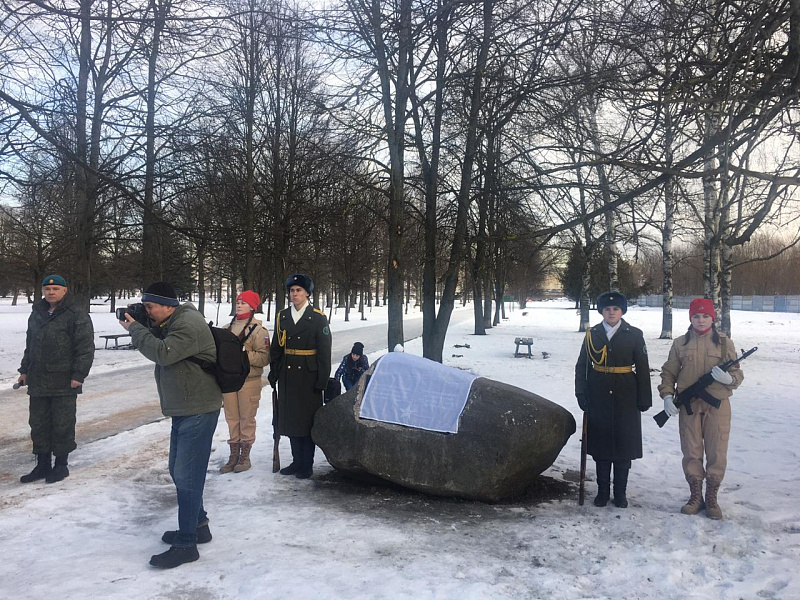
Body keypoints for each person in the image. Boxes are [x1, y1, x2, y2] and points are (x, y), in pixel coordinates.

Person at [120, 281, 221, 569]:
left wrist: (136, 329)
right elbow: (162, 345)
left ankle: (187, 543)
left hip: (198, 408)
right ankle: (199, 525)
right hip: (186, 406)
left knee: (186, 473)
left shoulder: (187, 322)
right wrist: (145, 324)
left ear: (168, 305)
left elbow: (163, 353)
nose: (148, 312)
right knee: (179, 468)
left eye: (150, 307)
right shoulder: (174, 319)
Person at [658, 297, 743, 520]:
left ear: (712, 318)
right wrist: (667, 396)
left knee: (717, 451)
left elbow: (737, 374)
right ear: (690, 318)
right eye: (696, 316)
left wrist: (728, 378)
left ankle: (712, 498)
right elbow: (669, 373)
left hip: (718, 406)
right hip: (689, 407)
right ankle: (695, 496)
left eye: (705, 316)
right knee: (691, 450)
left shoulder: (725, 343)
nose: (701, 320)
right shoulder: (680, 343)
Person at [575, 291, 652, 508]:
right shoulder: (592, 334)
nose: (611, 312)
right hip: (598, 394)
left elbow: (644, 368)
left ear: (622, 311)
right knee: (601, 446)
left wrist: (644, 397)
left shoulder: (634, 334)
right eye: (607, 309)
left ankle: (620, 493)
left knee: (623, 446)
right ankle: (602, 492)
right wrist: (581, 393)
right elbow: (582, 365)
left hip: (627, 395)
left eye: (615, 309)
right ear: (601, 311)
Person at [17, 274, 95, 484]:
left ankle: (61, 465)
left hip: (64, 380)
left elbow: (85, 348)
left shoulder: (76, 313)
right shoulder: (37, 313)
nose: (51, 293)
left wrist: (79, 375)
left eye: (55, 289)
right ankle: (42, 464)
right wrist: (24, 370)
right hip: (38, 379)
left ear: (65, 291)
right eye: (47, 289)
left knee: (62, 423)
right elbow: (30, 345)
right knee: (39, 423)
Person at [268, 274, 332, 479]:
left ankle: (307, 464)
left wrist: (322, 380)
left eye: (298, 291)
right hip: (287, 375)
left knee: (307, 422)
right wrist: (274, 370)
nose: (294, 294)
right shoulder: (283, 316)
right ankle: (296, 461)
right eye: (292, 291)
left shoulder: (317, 317)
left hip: (308, 376)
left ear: (307, 294)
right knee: (291, 421)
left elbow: (325, 352)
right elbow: (276, 347)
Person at [219, 290, 270, 474]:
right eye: (238, 302)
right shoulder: (226, 329)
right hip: (229, 380)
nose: (239, 305)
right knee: (231, 418)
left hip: (248, 381)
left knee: (246, 419)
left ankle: (245, 456)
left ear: (252, 306)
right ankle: (233, 455)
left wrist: (241, 354)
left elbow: (264, 358)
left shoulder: (258, 331)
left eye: (243, 302)